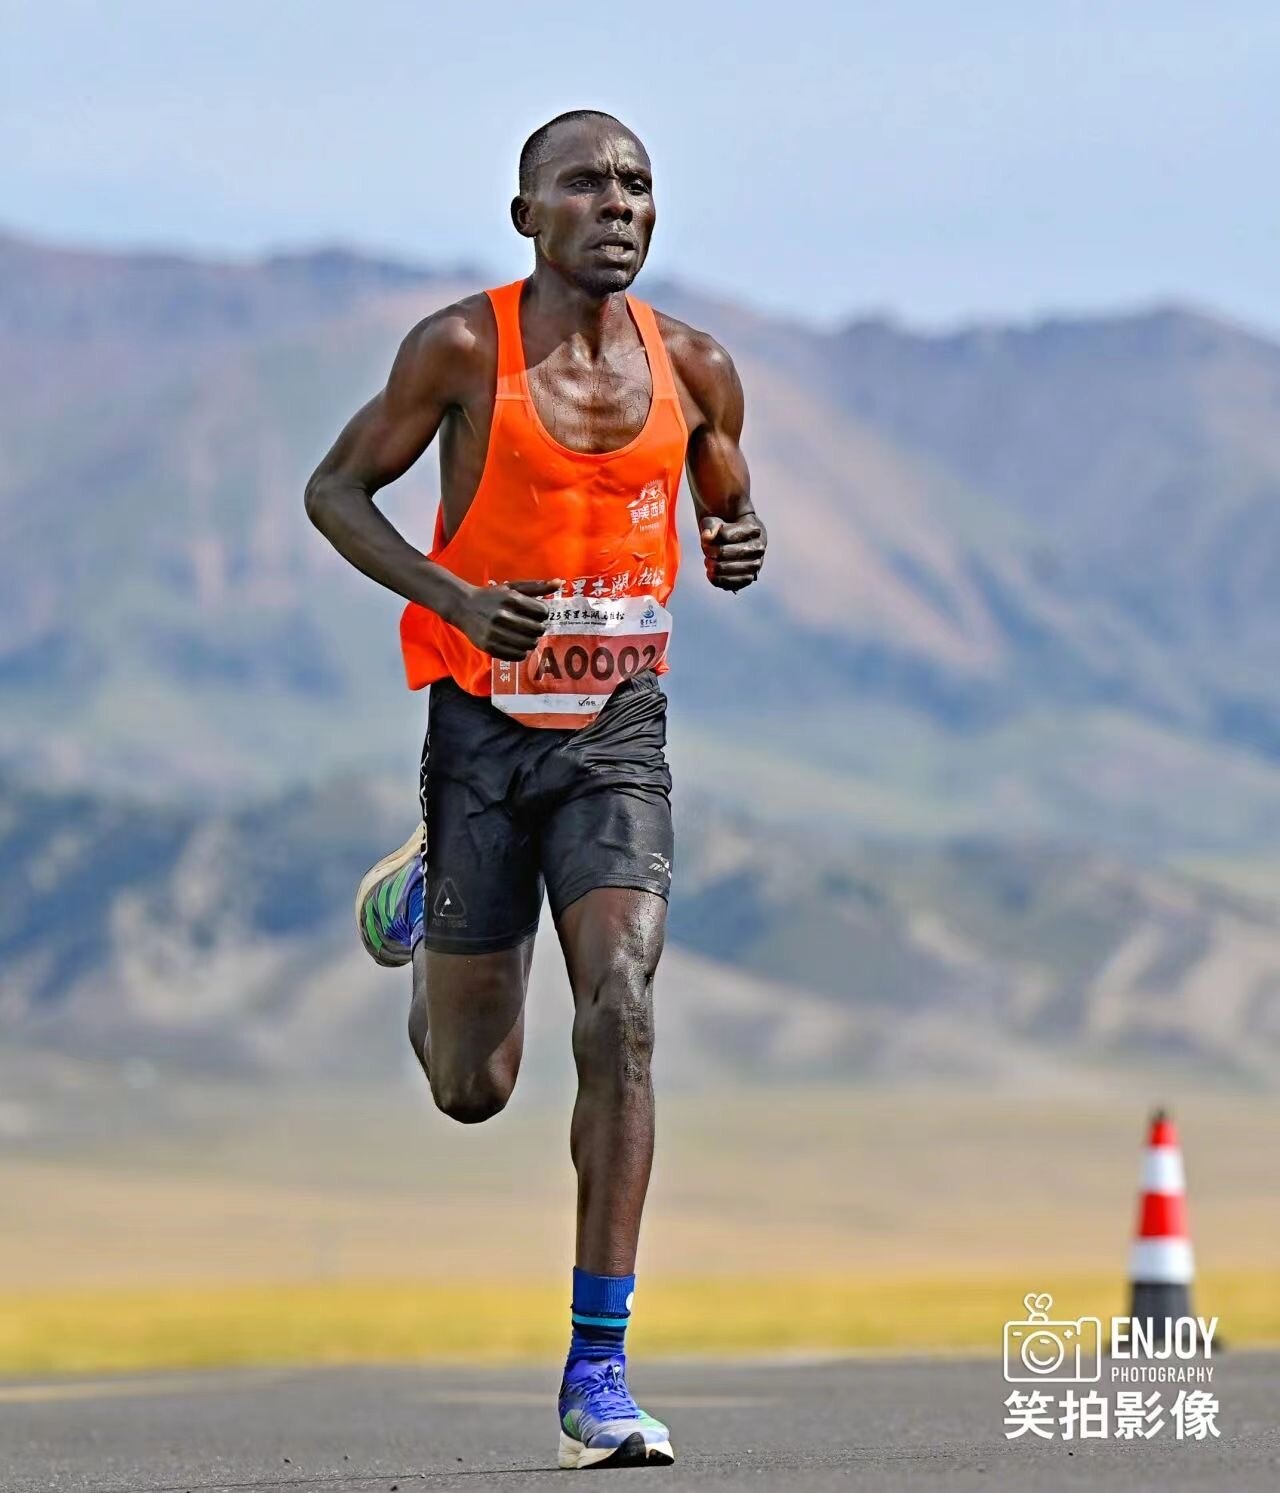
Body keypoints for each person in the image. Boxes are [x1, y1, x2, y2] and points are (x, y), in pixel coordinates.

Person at [305, 109, 765, 1470]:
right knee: (473, 1084)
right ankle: (431, 883)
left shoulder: (696, 368)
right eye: (585, 185)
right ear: (527, 217)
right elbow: (336, 492)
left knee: (622, 1007)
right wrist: (455, 596)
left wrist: (736, 540)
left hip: (616, 736)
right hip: (482, 736)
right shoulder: (461, 350)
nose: (617, 205)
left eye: (637, 185)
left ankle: (597, 1375)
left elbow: (725, 504)